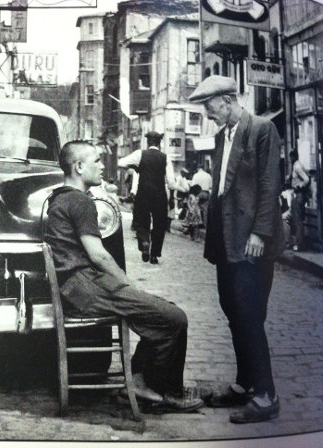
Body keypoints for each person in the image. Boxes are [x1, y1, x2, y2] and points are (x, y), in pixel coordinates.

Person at [44, 140, 203, 413]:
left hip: (77, 287)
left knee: (162, 314)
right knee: (175, 318)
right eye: (96, 160)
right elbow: (99, 255)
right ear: (79, 167)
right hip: (87, 287)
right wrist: (128, 285)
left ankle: (141, 381)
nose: (102, 166)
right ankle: (168, 391)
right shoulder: (80, 201)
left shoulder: (58, 197)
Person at [189, 75, 285, 423]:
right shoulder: (221, 136)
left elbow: (269, 184)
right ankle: (245, 384)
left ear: (228, 100)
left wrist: (259, 233)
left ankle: (267, 394)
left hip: (251, 242)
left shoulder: (261, 129)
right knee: (232, 310)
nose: (207, 113)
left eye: (210, 106)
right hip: (226, 242)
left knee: (250, 314)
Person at [118, 131, 180, 264]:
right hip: (159, 195)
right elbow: (171, 182)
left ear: (148, 142)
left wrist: (135, 166)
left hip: (143, 194)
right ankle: (154, 255)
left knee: (141, 221)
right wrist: (171, 199)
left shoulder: (140, 154)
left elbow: (121, 163)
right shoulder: (165, 157)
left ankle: (145, 242)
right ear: (159, 143)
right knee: (159, 224)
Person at [288, 149, 310, 251]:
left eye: (291, 157)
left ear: (294, 156)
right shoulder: (296, 165)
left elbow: (306, 179)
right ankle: (297, 242)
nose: (290, 159)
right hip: (296, 194)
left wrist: (298, 186)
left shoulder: (297, 166)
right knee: (296, 219)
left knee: (298, 220)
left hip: (298, 194)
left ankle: (299, 244)